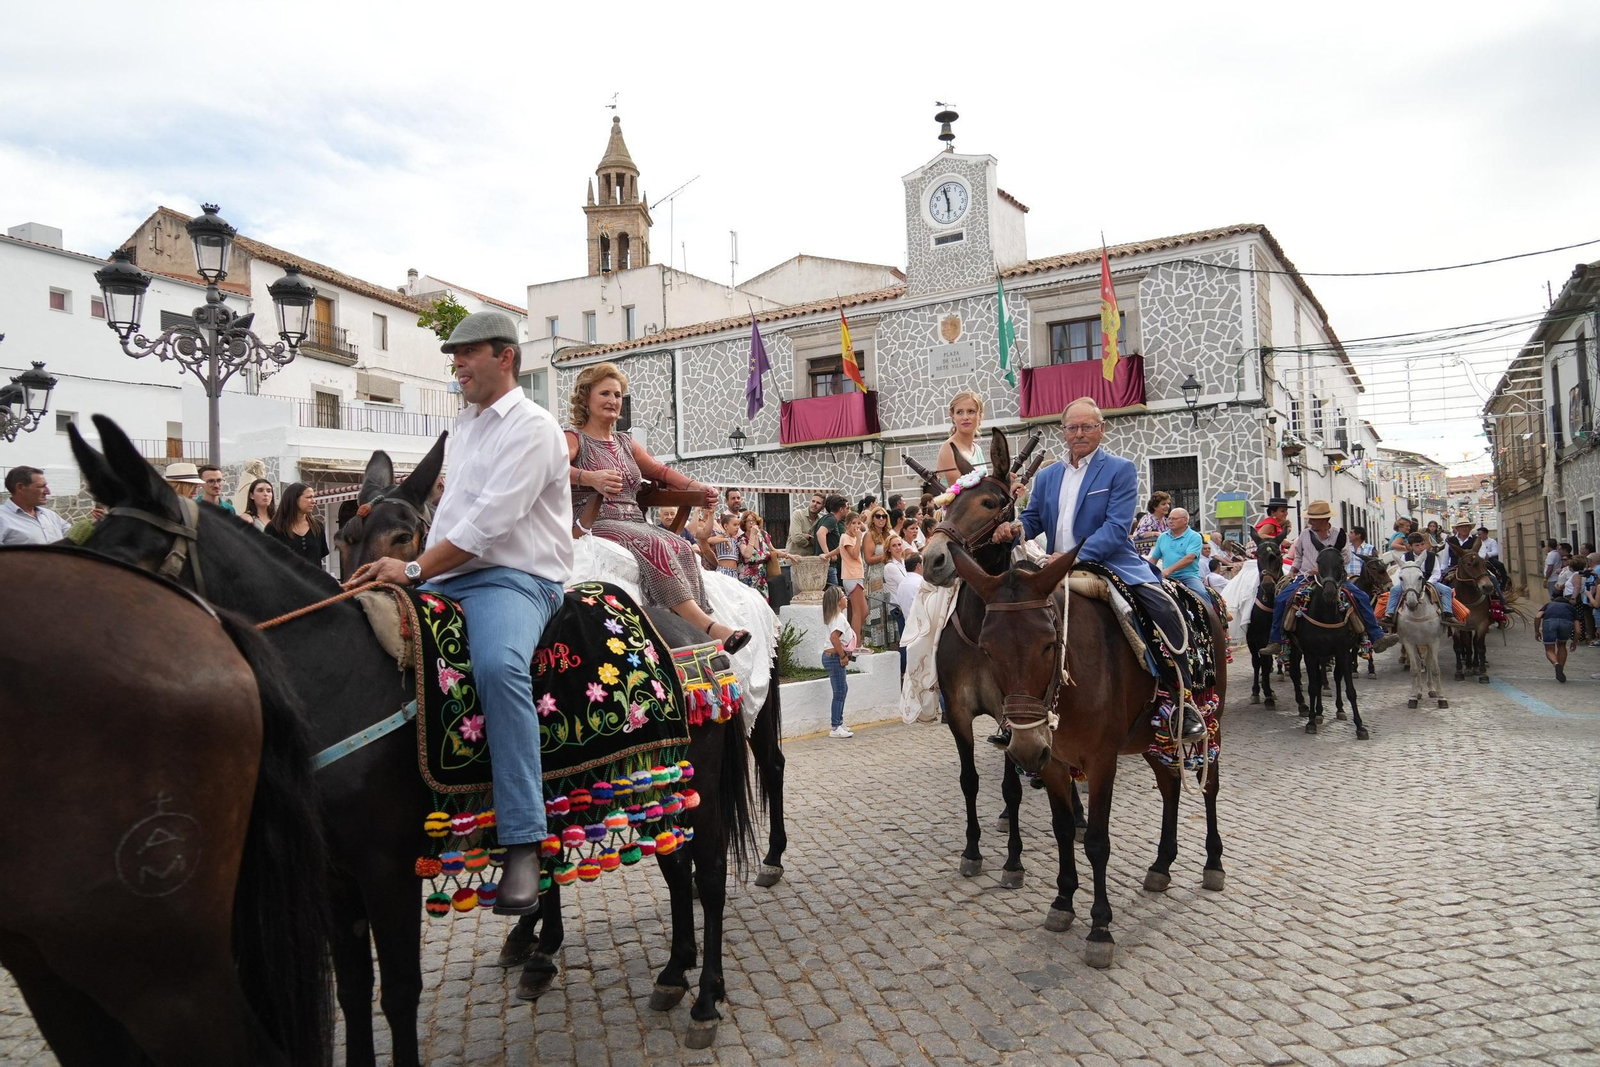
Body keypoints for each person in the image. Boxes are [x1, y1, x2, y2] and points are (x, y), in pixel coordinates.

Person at [344, 310, 572, 915]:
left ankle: (524, 837)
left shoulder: (534, 427)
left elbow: (487, 525)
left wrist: (414, 570)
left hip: (515, 580)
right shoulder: (466, 427)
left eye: (467, 353)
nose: (456, 364)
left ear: (506, 358)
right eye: (454, 355)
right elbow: (446, 519)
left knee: (498, 669)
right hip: (448, 578)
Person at [993, 397, 1206, 739]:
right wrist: (1014, 529)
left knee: (1164, 609)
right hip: (1051, 566)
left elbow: (1116, 527)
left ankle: (1180, 702)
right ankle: (1015, 714)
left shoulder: (1119, 469)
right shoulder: (1048, 476)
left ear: (1101, 429)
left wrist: (1072, 557)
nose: (1079, 433)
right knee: (1014, 624)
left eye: (1087, 426)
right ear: (1063, 431)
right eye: (1072, 427)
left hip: (1111, 562)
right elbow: (1033, 519)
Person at [565, 361, 749, 652]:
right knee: (653, 542)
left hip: (634, 519)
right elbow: (550, 467)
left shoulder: (625, 443)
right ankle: (711, 629)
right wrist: (589, 477)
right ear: (586, 397)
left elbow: (660, 472)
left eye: (617, 395)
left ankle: (687, 627)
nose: (613, 401)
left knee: (682, 546)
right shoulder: (574, 439)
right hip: (596, 520)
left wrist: (695, 487)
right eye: (604, 394)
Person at [1264, 500, 1397, 656]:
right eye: (1310, 518)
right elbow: (1299, 556)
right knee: (1281, 599)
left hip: (1335, 578)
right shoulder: (1305, 534)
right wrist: (1293, 571)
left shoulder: (1339, 535)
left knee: (1361, 597)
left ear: (1325, 519)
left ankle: (1377, 637)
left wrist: (1323, 568)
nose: (1310, 522)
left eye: (1313, 519)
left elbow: (1346, 558)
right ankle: (1276, 641)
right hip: (1307, 577)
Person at [1151, 507, 1209, 604]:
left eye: (1174, 519)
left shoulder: (1194, 536)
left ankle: (1211, 618)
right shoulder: (1162, 537)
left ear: (1185, 520)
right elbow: (1154, 558)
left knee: (1201, 593)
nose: (1170, 521)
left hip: (1188, 576)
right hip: (1165, 577)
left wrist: (1168, 570)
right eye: (1169, 518)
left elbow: (1189, 558)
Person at [1, 466, 70, 545]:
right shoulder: (2, 518)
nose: (48, 492)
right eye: (41, 486)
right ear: (20, 487)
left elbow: (72, 537)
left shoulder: (50, 515)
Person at [267, 482, 329, 570]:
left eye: (313, 497)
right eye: (308, 497)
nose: (314, 501)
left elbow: (319, 557)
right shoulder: (274, 528)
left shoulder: (318, 527)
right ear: (294, 499)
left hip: (314, 582)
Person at [821, 585, 856, 738]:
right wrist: (843, 656)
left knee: (843, 689)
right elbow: (834, 638)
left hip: (834, 657)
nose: (846, 598)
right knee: (839, 692)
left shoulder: (837, 617)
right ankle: (835, 726)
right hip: (835, 658)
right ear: (837, 601)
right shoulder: (838, 618)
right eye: (843, 595)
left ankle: (839, 722)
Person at [934, 390, 989, 480]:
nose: (965, 417)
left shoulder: (977, 449)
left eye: (971, 411)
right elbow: (960, 489)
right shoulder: (949, 448)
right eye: (959, 412)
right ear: (953, 416)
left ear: (980, 415)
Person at [1535, 594, 1578, 683]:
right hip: (1566, 623)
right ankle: (1560, 669)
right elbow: (1578, 630)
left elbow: (1538, 616)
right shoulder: (1571, 608)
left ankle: (1556, 664)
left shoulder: (1548, 605)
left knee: (1549, 648)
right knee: (1562, 645)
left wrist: (1537, 631)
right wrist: (1574, 642)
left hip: (1550, 622)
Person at [839, 510, 868, 640]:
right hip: (851, 576)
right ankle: (855, 643)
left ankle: (853, 637)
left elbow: (839, 549)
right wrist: (859, 538)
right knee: (857, 612)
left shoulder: (852, 538)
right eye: (853, 523)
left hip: (857, 576)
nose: (856, 526)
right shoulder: (846, 537)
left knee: (865, 611)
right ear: (847, 525)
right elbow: (855, 554)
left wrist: (828, 555)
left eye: (858, 523)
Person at [813, 494, 848, 587]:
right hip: (828, 566)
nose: (848, 510)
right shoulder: (831, 519)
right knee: (834, 595)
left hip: (825, 566)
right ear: (841, 509)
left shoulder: (826, 518)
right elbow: (820, 533)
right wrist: (828, 554)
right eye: (846, 508)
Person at [1133, 491, 1172, 556]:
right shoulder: (1148, 519)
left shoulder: (1166, 521)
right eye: (1163, 504)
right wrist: (1155, 534)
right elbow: (1138, 535)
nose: (1167, 506)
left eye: (1168, 504)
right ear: (1154, 506)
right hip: (1147, 556)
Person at [710, 512, 741, 578]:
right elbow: (709, 540)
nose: (737, 527)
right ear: (726, 526)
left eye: (738, 525)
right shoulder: (722, 536)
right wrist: (725, 540)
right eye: (735, 525)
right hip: (724, 571)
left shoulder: (735, 539)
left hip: (734, 572)